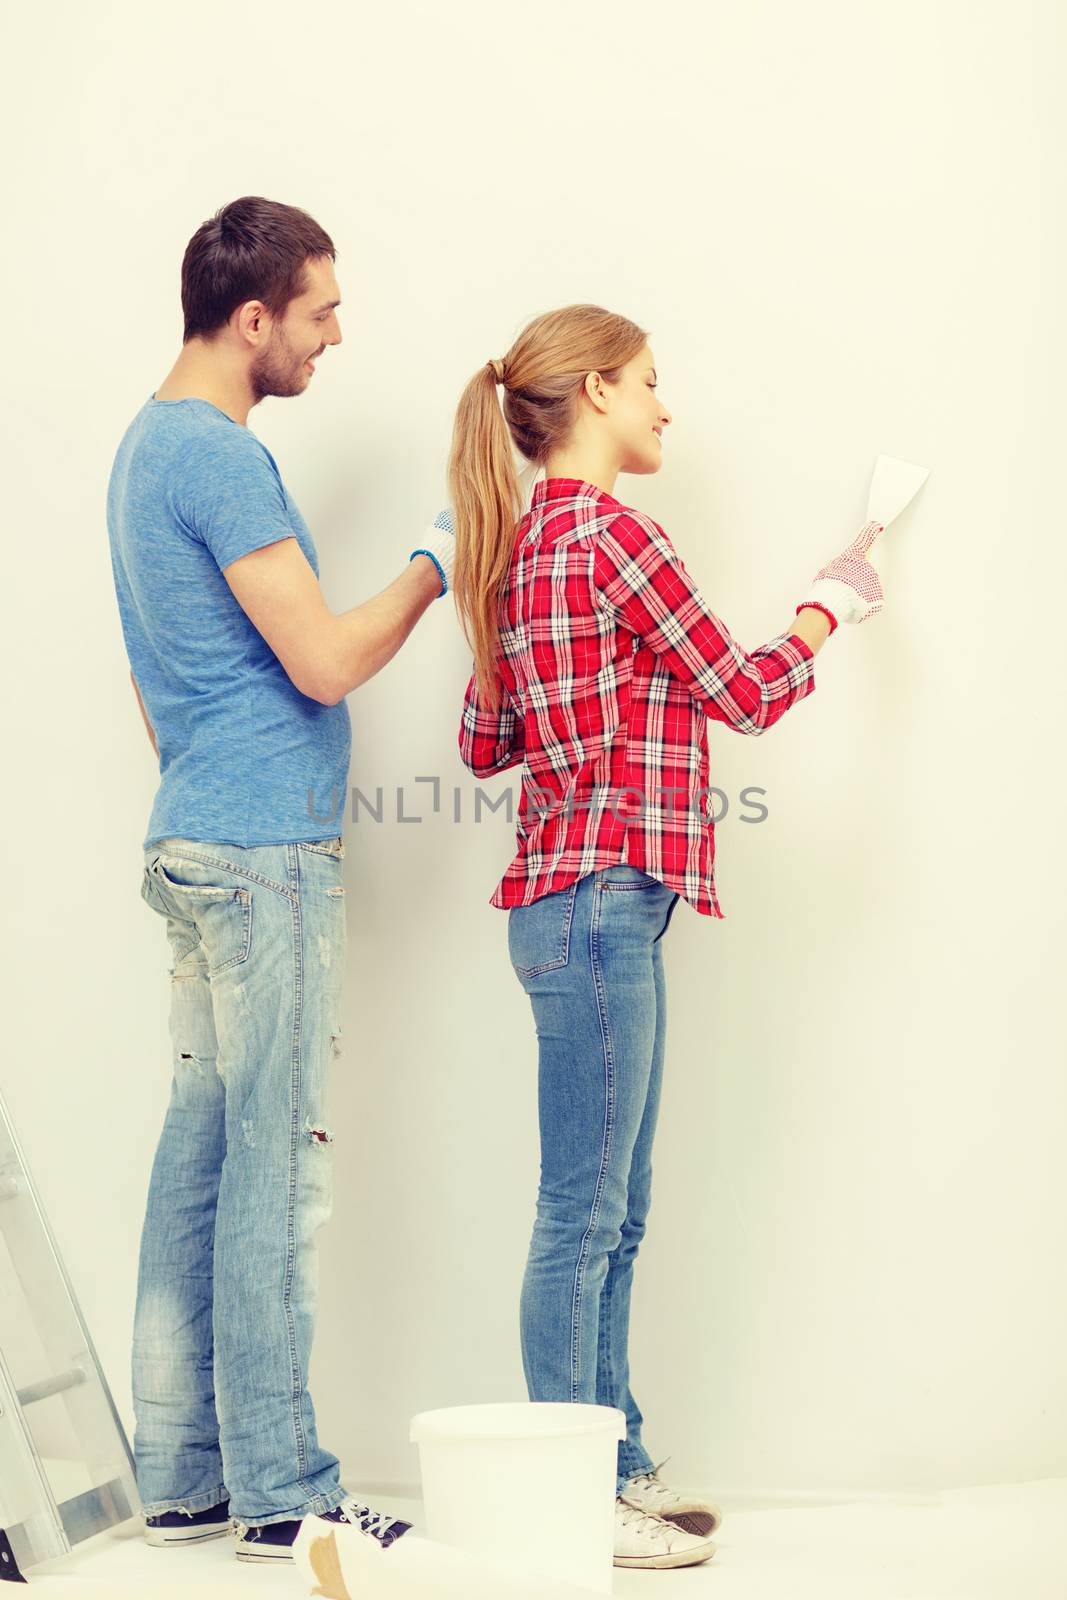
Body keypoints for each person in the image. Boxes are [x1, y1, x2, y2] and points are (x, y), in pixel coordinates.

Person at [449, 303, 884, 1572]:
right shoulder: (613, 533)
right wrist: (829, 605)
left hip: (570, 906)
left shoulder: (515, 545)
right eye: (647, 381)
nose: (663, 404)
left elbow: (484, 746)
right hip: (597, 905)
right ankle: (569, 1491)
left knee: (610, 1206)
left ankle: (616, 1458)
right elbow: (742, 693)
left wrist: (507, 641)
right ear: (590, 392)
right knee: (588, 1209)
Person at [106, 195, 457, 1564]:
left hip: (196, 835)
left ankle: (187, 1473)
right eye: (318, 312)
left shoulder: (142, 453)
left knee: (199, 1153)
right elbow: (318, 661)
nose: (332, 335)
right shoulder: (222, 459)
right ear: (250, 319)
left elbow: (155, 683)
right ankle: (286, 1490)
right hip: (260, 859)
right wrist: (433, 565)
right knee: (275, 1170)